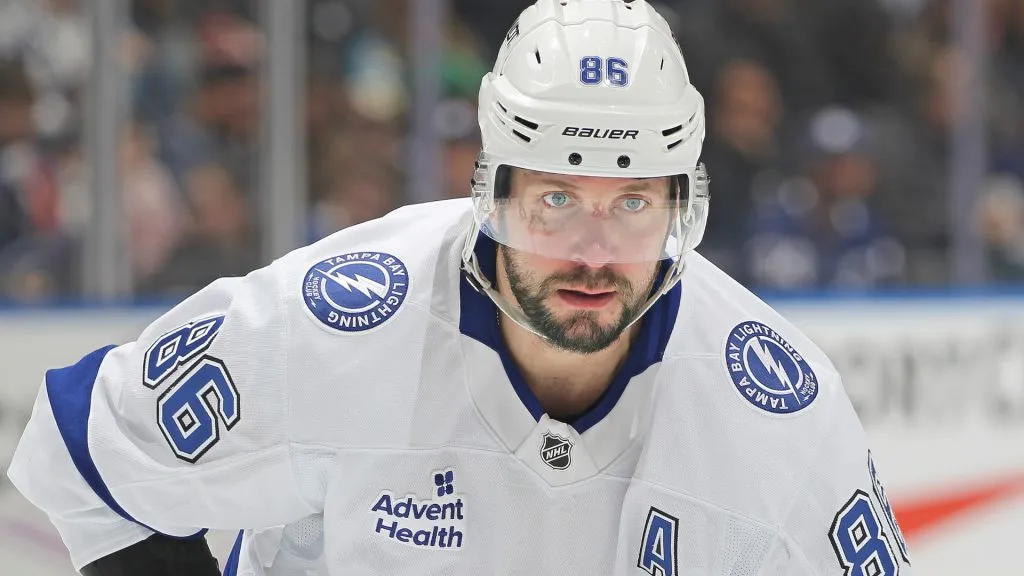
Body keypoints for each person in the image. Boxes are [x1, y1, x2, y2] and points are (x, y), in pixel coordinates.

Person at [7, 1, 912, 574]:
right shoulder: (340, 322)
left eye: (633, 203)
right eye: (556, 199)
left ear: (683, 206)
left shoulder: (775, 411)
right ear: (494, 194)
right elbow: (87, 446)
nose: (595, 253)